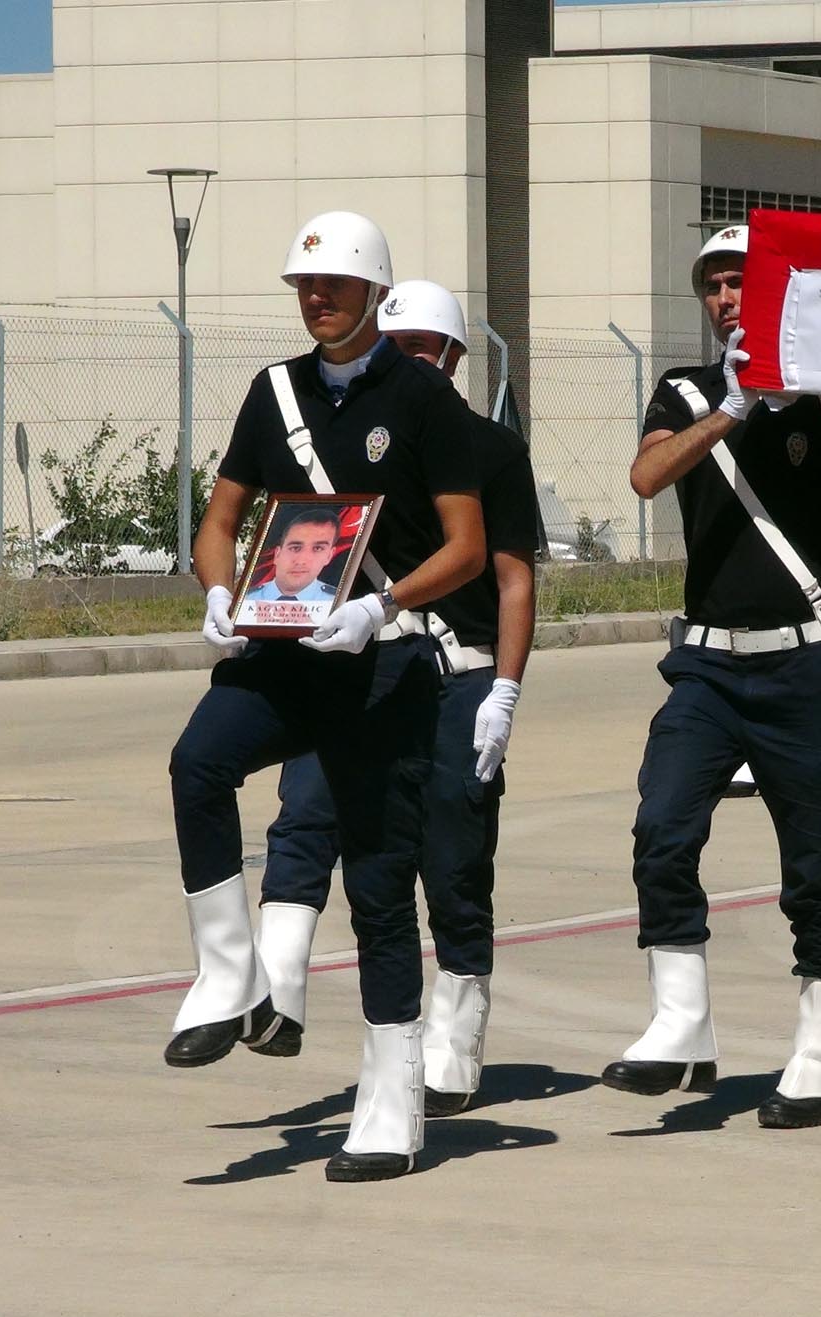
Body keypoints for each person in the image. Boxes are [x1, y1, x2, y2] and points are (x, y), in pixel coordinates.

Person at [168, 211, 484, 1183]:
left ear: (376, 293)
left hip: (383, 659)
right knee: (198, 761)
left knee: (381, 887)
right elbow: (221, 519)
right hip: (289, 648)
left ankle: (393, 1102)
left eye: (336, 287)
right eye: (305, 287)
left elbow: (467, 547)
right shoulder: (273, 392)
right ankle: (228, 973)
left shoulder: (424, 399)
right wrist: (218, 588)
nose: (318, 301)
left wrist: (385, 603)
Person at [606, 223, 821, 1130]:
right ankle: (682, 1018)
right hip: (709, 664)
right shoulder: (685, 389)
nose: (726, 299)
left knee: (816, 858)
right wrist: (732, 408)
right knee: (662, 825)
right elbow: (647, 477)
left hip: (809, 656)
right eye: (715, 286)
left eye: (742, 282)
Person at [255, 278, 538, 1119]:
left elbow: (514, 580)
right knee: (308, 807)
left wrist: (507, 691)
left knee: (452, 855)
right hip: (358, 664)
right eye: (400, 344)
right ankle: (278, 984)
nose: (411, 359)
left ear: (453, 358)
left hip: (461, 670)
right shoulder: (347, 437)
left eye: (427, 349)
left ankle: (457, 1036)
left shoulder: (489, 451)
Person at [239, 511, 339, 603]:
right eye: (295, 548)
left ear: (329, 556)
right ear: (277, 554)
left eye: (318, 549)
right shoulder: (245, 600)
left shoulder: (338, 603)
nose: (301, 561)